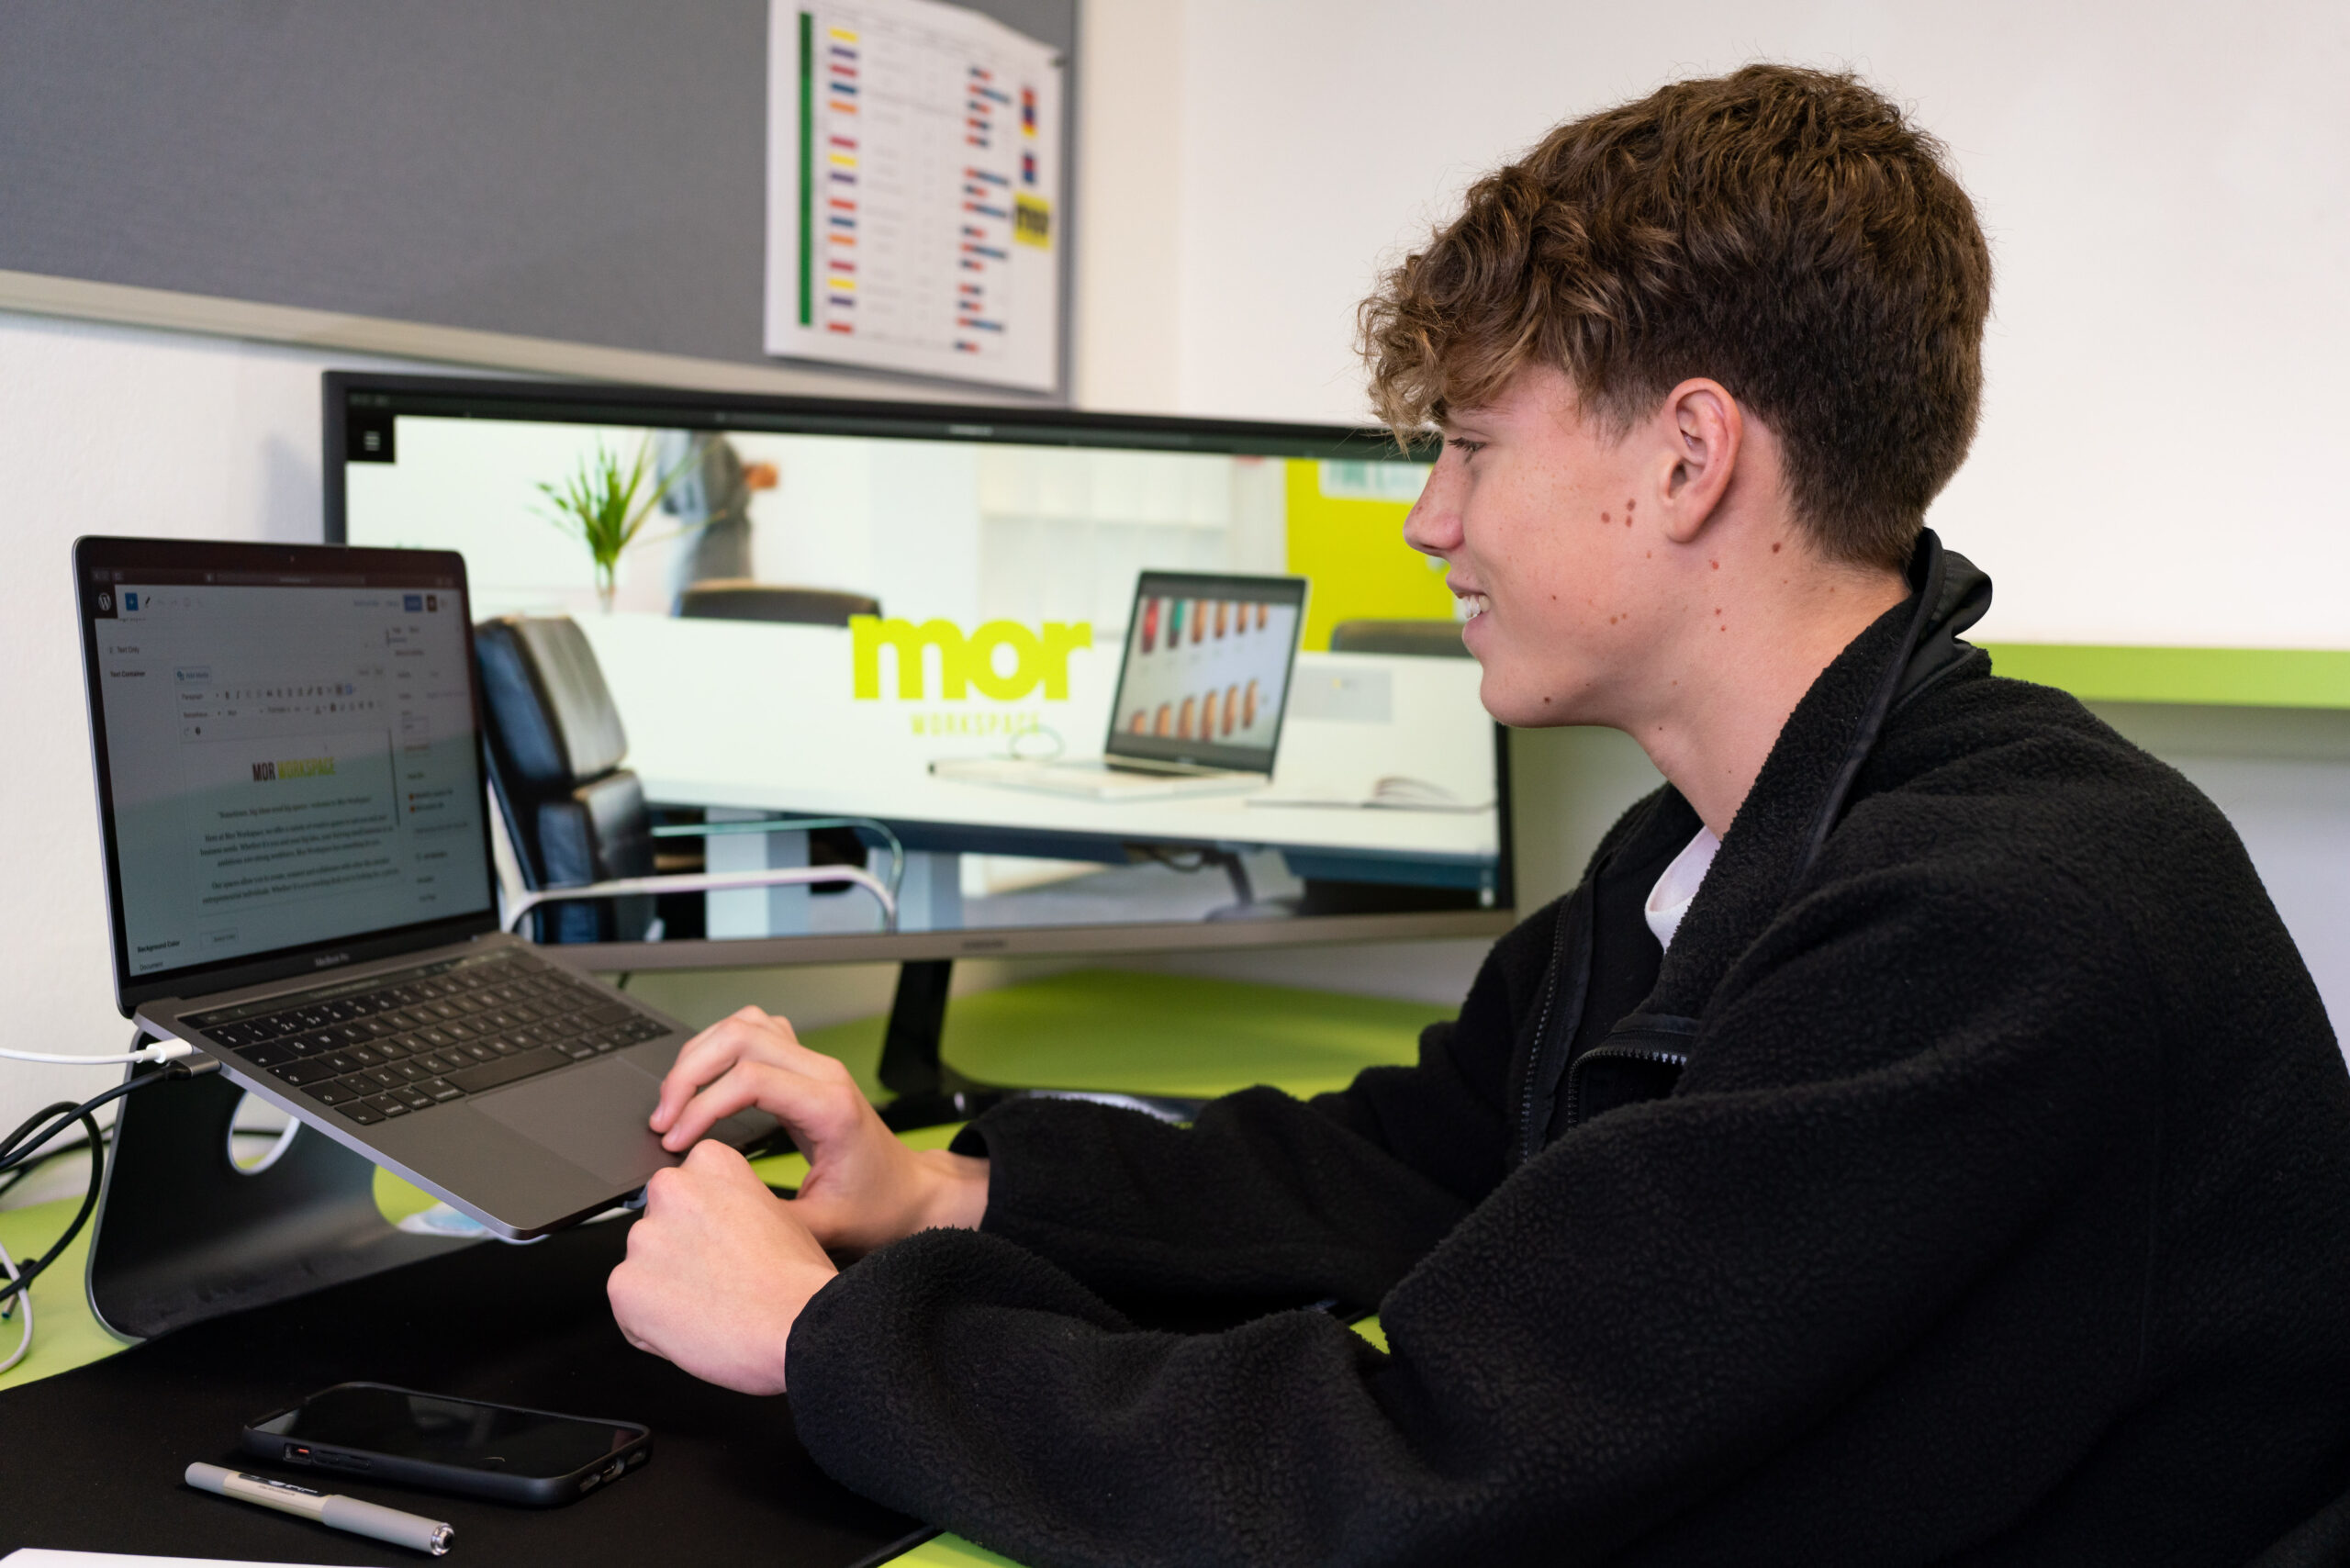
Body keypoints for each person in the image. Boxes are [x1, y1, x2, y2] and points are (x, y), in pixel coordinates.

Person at [607, 65, 2350, 1564]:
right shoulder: (1714, 854)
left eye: (1469, 447)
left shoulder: (1987, 926)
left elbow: (1409, 1470)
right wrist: (936, 1194)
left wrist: (827, 1337)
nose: (1429, 520)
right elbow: (1413, 1165)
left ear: (1687, 457)